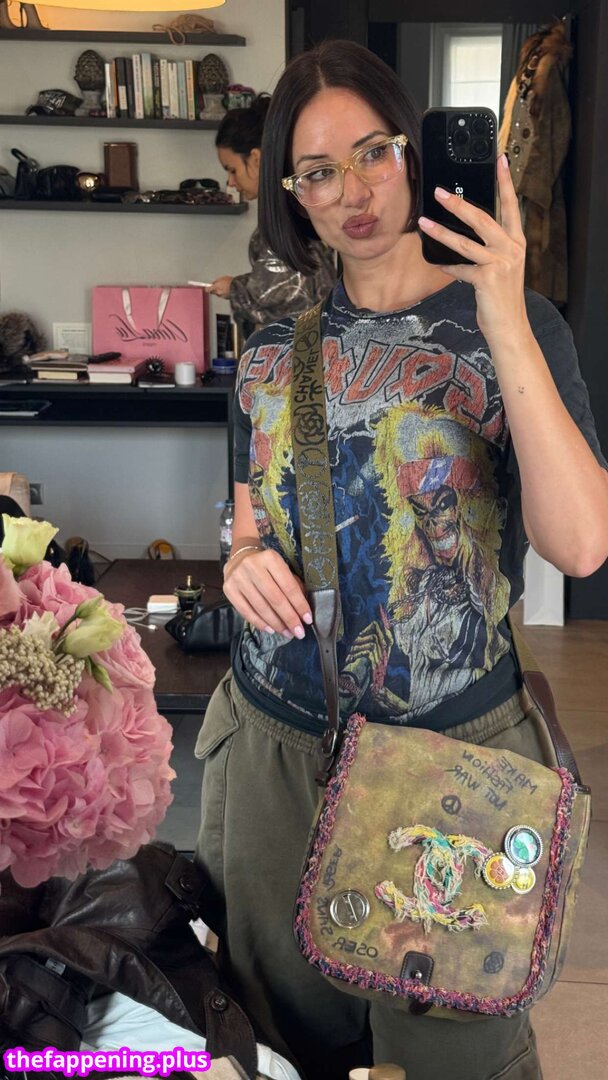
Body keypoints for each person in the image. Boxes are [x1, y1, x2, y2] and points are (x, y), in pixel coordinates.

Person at [194, 40, 608, 1080]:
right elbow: (247, 523)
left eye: (372, 153)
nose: (353, 192)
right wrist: (239, 560)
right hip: (272, 754)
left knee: (458, 1055)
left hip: (450, 764)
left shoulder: (514, 323)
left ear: (411, 151)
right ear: (292, 195)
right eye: (318, 172)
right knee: (276, 1049)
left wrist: (502, 309)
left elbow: (580, 544)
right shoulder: (270, 338)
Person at [206, 93, 336, 334]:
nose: (231, 182)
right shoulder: (294, 207)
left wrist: (234, 288)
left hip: (302, 346)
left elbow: (277, 296)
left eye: (232, 170)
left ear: (256, 159)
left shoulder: (283, 219)